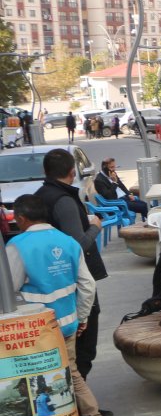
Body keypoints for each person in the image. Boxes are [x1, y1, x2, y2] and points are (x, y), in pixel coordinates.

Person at [6, 194, 110, 416]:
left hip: (37, 326)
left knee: (40, 376)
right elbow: (87, 285)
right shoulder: (68, 242)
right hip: (68, 322)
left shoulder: (17, 246)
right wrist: (82, 317)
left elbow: (9, 286)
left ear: (21, 218)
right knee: (70, 372)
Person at [35, 149, 108, 379]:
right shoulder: (63, 199)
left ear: (44, 171)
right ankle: (82, 407)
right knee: (83, 347)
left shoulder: (40, 195)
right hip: (74, 280)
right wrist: (95, 226)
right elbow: (77, 245)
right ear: (71, 171)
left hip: (50, 279)